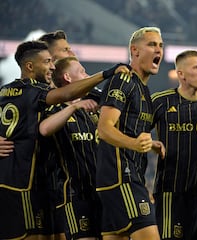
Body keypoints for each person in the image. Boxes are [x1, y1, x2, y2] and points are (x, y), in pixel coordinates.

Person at [0, 40, 124, 240]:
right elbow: (65, 95)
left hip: (46, 186)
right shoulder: (35, 91)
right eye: (49, 60)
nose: (52, 66)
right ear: (30, 66)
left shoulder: (6, 91)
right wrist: (106, 73)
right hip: (22, 184)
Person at [96, 26, 165, 240]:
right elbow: (104, 128)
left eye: (161, 46)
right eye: (152, 44)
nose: (159, 50)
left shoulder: (143, 90)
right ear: (134, 50)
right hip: (121, 179)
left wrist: (150, 144)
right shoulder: (124, 80)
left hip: (126, 179)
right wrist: (135, 144)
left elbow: (129, 131)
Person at [151, 50, 197, 240]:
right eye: (196, 68)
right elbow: (136, 131)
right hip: (171, 192)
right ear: (181, 74)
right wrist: (149, 144)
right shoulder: (161, 101)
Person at [39, 56, 102, 240]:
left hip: (101, 194)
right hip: (75, 196)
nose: (87, 75)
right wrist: (73, 108)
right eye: (82, 71)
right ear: (68, 77)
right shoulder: (55, 109)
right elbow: (44, 129)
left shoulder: (92, 109)